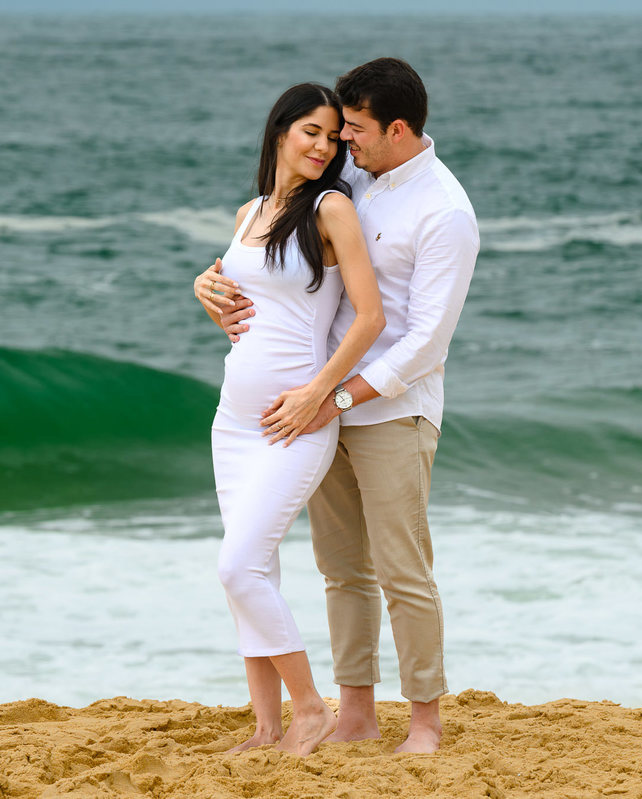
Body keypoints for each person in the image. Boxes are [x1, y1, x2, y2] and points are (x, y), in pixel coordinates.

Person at [201, 58, 479, 754]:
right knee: (341, 568)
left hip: (388, 406)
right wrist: (208, 285)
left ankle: (425, 723)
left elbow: (425, 338)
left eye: (353, 132)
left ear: (399, 128)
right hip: (315, 406)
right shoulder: (350, 177)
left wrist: (338, 393)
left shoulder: (444, 210)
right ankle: (354, 711)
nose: (340, 145)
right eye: (333, 132)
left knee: (402, 569)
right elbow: (274, 261)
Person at [194, 83, 384, 757]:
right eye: (311, 131)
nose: (323, 146)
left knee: (237, 566)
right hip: (234, 421)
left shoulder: (331, 208)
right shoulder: (250, 212)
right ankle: (267, 725)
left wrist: (317, 394)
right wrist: (204, 287)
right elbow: (241, 301)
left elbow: (370, 317)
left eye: (333, 137)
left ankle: (310, 708)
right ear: (279, 130)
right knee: (256, 572)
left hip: (295, 424)